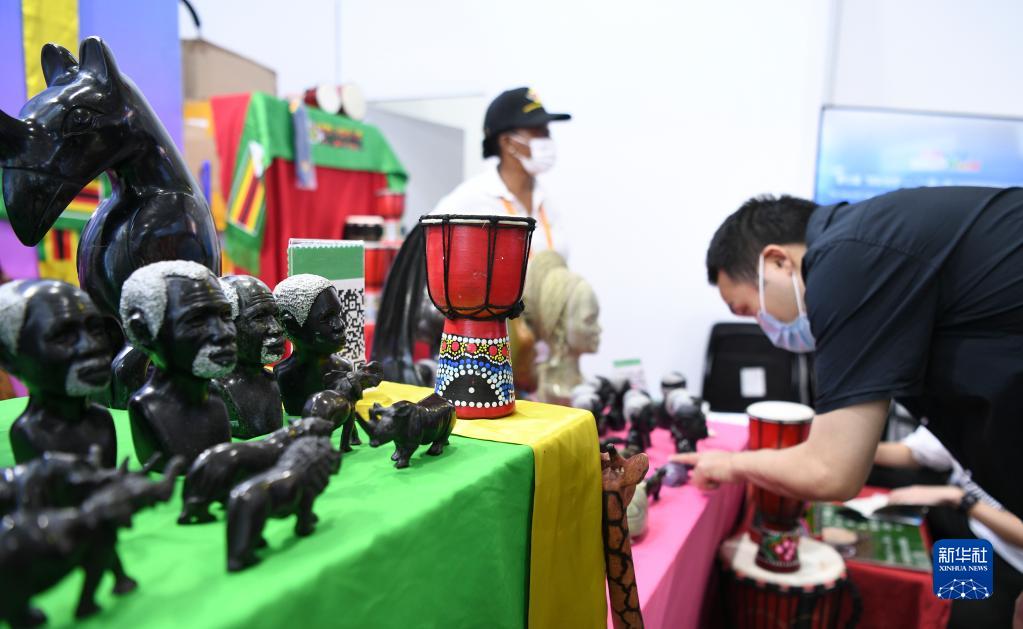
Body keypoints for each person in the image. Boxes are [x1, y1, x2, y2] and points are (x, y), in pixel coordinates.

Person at [675, 188, 1023, 624]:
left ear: (779, 262)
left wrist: (733, 465)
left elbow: (832, 471)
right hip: (970, 525)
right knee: (965, 599)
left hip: (997, 538)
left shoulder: (849, 259)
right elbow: (909, 451)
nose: (764, 328)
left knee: (971, 613)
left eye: (750, 310)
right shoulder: (888, 254)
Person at [877, 424, 1023, 625]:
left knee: (933, 601)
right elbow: (916, 452)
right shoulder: (979, 415)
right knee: (876, 476)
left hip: (1000, 554)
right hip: (963, 518)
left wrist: (960, 499)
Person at [433, 86, 571, 256]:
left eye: (547, 132)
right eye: (537, 132)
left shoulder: (546, 201)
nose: (546, 140)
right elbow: (427, 254)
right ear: (507, 142)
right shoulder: (470, 199)